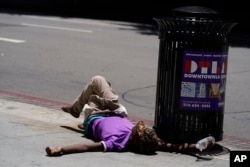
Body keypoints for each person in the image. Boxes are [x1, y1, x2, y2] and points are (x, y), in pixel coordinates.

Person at [45, 75, 215, 156]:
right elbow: (173, 147)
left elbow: (87, 147)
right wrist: (197, 146)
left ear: (135, 138)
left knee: (97, 82)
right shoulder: (149, 142)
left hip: (96, 115)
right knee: (101, 86)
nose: (138, 127)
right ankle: (78, 110)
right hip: (114, 111)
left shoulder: (116, 143)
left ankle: (77, 110)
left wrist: (61, 150)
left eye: (138, 129)